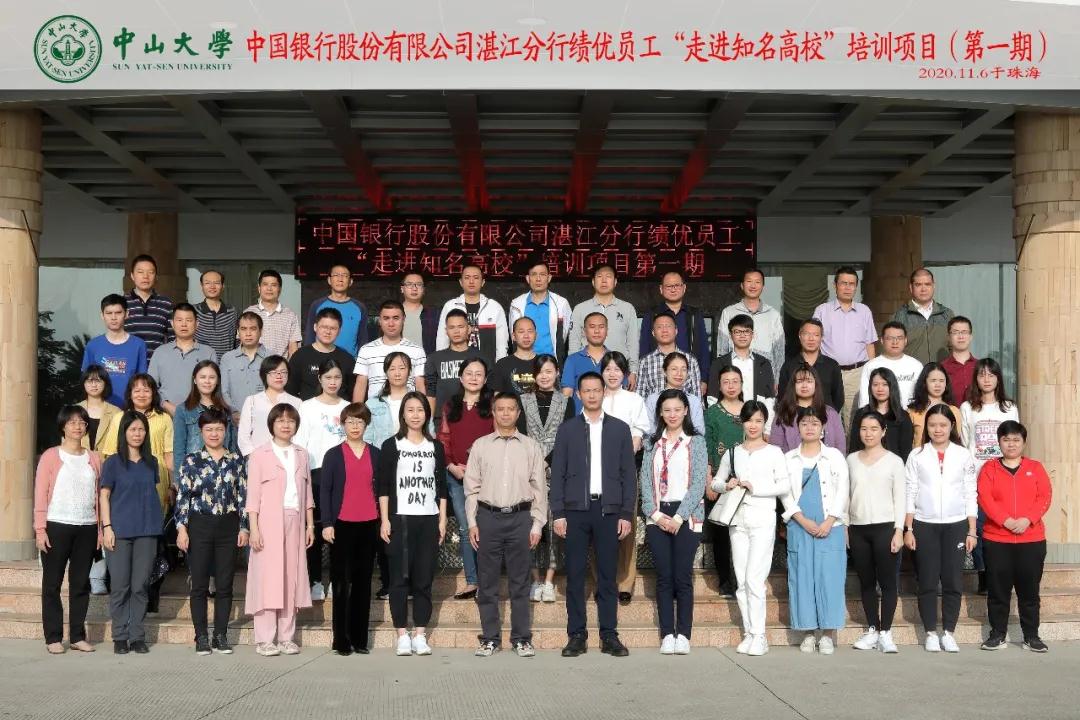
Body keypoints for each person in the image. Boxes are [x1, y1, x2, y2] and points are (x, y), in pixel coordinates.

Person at [550, 372, 636, 658]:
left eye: (596, 390)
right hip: (575, 511)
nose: (591, 395)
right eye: (586, 390)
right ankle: (576, 635)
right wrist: (558, 513)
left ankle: (609, 635)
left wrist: (626, 513)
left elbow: (629, 475)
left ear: (604, 392)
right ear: (578, 394)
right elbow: (558, 473)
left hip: (608, 511)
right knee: (575, 575)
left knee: (608, 576)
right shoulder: (568, 430)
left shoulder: (620, 429)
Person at [466, 393, 549, 658]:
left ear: (518, 413)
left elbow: (539, 488)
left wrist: (537, 524)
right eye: (500, 409)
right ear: (493, 412)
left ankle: (521, 638)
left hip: (520, 519)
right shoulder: (480, 446)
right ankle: (490, 638)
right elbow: (471, 488)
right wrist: (472, 522)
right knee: (487, 582)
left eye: (510, 409)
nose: (505, 413)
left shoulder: (530, 447)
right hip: (488, 518)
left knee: (520, 582)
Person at [710, 400, 790, 657]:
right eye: (749, 420)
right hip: (737, 521)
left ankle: (760, 635)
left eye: (758, 421)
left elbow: (784, 485)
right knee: (742, 580)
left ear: (764, 422)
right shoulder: (733, 453)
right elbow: (715, 482)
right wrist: (728, 485)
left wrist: (757, 488)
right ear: (741, 422)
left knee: (755, 579)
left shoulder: (774, 452)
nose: (753, 425)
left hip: (763, 519)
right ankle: (749, 633)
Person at [377, 391, 449, 657]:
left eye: (420, 410)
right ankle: (402, 635)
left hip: (428, 518)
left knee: (423, 578)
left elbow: (441, 486)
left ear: (427, 415)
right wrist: (385, 519)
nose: (415, 415)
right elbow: (383, 486)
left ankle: (420, 634)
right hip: (400, 518)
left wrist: (442, 519)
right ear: (403, 415)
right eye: (410, 410)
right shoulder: (391, 445)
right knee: (398, 579)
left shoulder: (435, 447)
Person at [96, 374, 174, 614]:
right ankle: (122, 605)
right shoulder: (120, 418)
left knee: (152, 549)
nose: (142, 394)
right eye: (137, 390)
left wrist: (172, 486)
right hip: (124, 490)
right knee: (123, 557)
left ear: (154, 393)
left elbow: (169, 455)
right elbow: (109, 453)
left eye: (147, 389)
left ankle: (150, 597)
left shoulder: (164, 418)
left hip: (154, 485)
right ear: (129, 393)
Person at [903, 404, 977, 653]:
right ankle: (930, 632)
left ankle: (949, 632)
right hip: (925, 523)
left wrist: (971, 530)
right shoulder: (917, 455)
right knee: (927, 580)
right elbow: (910, 491)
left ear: (951, 426)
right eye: (933, 425)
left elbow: (970, 492)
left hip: (956, 524)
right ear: (926, 427)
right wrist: (909, 528)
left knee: (953, 580)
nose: (938, 430)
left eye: (943, 425)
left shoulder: (963, 455)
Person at [174, 407, 248, 656]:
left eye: (219, 429)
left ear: (226, 431)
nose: (214, 433)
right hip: (199, 525)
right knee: (199, 584)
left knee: (225, 584)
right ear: (201, 432)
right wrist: (182, 529)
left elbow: (243, 496)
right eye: (209, 429)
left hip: (228, 526)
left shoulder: (236, 460)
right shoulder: (191, 461)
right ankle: (202, 636)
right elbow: (183, 498)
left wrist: (244, 527)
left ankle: (220, 635)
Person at [640, 389, 707, 655]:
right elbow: (645, 482)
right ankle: (667, 633)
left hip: (686, 516)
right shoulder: (652, 443)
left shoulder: (696, 442)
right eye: (667, 410)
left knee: (682, 577)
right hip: (658, 516)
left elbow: (698, 482)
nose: (672, 414)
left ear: (686, 411)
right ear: (660, 413)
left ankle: (684, 634)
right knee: (664, 577)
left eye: (677, 410)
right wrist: (656, 515)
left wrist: (679, 517)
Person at [245, 403, 315, 656]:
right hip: (267, 521)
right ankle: (265, 639)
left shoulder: (302, 454)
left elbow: (307, 494)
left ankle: (287, 637)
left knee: (290, 577)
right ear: (271, 424)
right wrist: (254, 529)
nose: (286, 425)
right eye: (281, 421)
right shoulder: (260, 455)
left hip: (295, 519)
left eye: (290, 421)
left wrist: (309, 524)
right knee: (267, 577)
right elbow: (253, 496)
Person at [978, 421, 1052, 652]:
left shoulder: (1035, 468)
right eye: (1006, 439)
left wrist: (1028, 519)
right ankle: (997, 635)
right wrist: (1005, 520)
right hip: (997, 539)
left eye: (1016, 440)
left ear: (1024, 442)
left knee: (1029, 592)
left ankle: (1031, 636)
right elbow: (984, 497)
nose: (1011, 444)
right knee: (998, 591)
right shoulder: (989, 468)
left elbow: (1044, 496)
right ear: (999, 442)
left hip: (1031, 539)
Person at [781, 406, 850, 655]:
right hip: (800, 526)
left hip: (830, 526)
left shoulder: (834, 456)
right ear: (797, 428)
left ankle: (828, 634)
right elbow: (785, 494)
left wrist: (829, 521)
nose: (809, 428)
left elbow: (843, 489)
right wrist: (801, 519)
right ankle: (808, 632)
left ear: (823, 428)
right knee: (802, 577)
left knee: (830, 578)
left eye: (814, 423)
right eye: (804, 423)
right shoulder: (788, 459)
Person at [35, 405, 103, 654]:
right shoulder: (50, 456)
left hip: (86, 526)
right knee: (52, 584)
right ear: (63, 426)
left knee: (81, 584)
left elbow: (98, 496)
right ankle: (53, 637)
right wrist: (40, 529)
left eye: (82, 422)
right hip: (56, 525)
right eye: (72, 422)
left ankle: (77, 636)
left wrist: (99, 530)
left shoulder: (94, 458)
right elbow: (40, 493)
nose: (77, 426)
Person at [100, 410, 164, 655]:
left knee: (140, 586)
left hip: (147, 530)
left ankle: (137, 636)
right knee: (120, 586)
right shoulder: (113, 463)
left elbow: (151, 494)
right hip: (119, 531)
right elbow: (104, 496)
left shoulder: (152, 462)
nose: (137, 434)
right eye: (133, 429)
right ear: (124, 432)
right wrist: (107, 527)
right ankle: (119, 636)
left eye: (141, 429)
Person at [320, 402, 382, 655]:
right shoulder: (333, 455)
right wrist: (326, 523)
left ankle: (359, 639)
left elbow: (382, 489)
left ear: (366, 425)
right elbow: (325, 491)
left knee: (363, 583)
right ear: (343, 425)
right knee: (341, 584)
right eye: (350, 422)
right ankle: (341, 640)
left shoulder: (376, 454)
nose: (355, 426)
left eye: (360, 422)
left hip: (369, 523)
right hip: (342, 524)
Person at [847, 411, 906, 654]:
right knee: (867, 581)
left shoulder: (894, 461)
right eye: (864, 428)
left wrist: (899, 530)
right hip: (858, 529)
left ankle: (886, 632)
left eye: (873, 428)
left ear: (883, 431)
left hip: (886, 527)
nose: (868, 433)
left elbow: (900, 498)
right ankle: (872, 628)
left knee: (888, 582)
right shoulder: (851, 460)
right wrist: (846, 527)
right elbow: (846, 496)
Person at [519, 354, 575, 603]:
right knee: (530, 524)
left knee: (554, 525)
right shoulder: (523, 400)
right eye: (540, 372)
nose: (544, 376)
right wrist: (535, 463)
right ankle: (535, 580)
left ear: (557, 373)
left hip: (558, 469)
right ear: (534, 374)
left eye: (549, 371)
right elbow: (520, 434)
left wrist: (548, 461)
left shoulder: (566, 402)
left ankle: (550, 580)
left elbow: (568, 436)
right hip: (527, 471)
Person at [437, 357, 495, 601]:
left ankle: (487, 582)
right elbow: (443, 438)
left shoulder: (493, 404)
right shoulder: (451, 405)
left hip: (487, 477)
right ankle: (472, 581)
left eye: (478, 374)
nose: (473, 378)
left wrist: (477, 467)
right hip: (457, 476)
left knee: (487, 527)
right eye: (469, 373)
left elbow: (498, 438)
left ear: (485, 379)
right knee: (465, 526)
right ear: (461, 378)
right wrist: (451, 466)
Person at [961, 357, 1019, 594]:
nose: (986, 379)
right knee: (979, 527)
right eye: (982, 374)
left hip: (1003, 476)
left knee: (1001, 525)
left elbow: (1015, 440)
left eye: (991, 374)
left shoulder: (1009, 407)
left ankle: (1001, 573)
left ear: (998, 378)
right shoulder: (968, 408)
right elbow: (966, 442)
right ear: (976, 378)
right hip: (976, 477)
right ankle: (983, 574)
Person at [295, 358, 350, 602]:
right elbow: (300, 443)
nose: (332, 382)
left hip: (343, 475)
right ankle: (315, 580)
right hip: (315, 473)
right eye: (328, 377)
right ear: (320, 379)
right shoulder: (307, 407)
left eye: (337, 377)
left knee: (341, 528)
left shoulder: (348, 407)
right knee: (315, 528)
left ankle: (338, 580)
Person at [599, 351, 650, 605]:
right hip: (596, 472)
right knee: (599, 528)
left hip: (624, 471)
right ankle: (602, 581)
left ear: (625, 374)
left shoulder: (634, 399)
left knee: (626, 526)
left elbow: (638, 434)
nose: (612, 374)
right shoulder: (593, 397)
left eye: (617, 369)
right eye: (608, 369)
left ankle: (625, 582)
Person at [813, 266, 878, 427]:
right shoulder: (822, 311)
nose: (848, 287)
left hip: (857, 373)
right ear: (835, 285)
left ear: (856, 287)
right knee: (827, 416)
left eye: (852, 284)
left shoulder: (864, 311)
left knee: (854, 419)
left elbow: (870, 344)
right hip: (829, 372)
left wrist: (872, 372)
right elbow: (813, 343)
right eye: (844, 283)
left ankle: (850, 445)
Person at [703, 365, 746, 598]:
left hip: (745, 483)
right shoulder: (712, 413)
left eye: (735, 381)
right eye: (726, 382)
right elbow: (708, 446)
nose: (731, 386)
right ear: (719, 386)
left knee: (744, 532)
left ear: (742, 384)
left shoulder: (750, 410)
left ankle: (744, 580)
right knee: (721, 534)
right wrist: (709, 480)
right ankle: (725, 580)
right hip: (720, 481)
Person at [568, 264, 640, 390]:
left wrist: (633, 371)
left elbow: (633, 342)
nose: (604, 280)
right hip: (587, 370)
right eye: (600, 276)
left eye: (608, 276)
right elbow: (574, 341)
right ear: (593, 281)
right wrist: (573, 368)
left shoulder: (627, 308)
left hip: (618, 370)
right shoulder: (580, 309)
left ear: (615, 281)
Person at [638, 270, 711, 392]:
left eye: (677, 285)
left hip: (688, 376)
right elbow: (644, 346)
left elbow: (703, 348)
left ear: (684, 288)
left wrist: (704, 379)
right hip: (657, 375)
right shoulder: (652, 314)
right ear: (661, 289)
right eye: (668, 286)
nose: (673, 289)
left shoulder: (694, 314)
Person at [714, 268, 784, 389]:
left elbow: (779, 352)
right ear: (742, 285)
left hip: (764, 375)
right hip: (734, 375)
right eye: (749, 281)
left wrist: (777, 379)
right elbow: (722, 348)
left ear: (763, 286)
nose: (753, 285)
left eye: (757, 282)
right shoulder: (729, 312)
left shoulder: (773, 315)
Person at [148, 303, 216, 416]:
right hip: (165, 415)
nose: (184, 324)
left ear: (197, 324)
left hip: (200, 416)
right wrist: (165, 404)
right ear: (172, 324)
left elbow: (214, 387)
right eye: (179, 320)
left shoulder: (208, 353)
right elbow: (151, 386)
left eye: (188, 320)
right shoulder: (160, 352)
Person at [172, 361, 238, 477]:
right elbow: (179, 449)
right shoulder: (183, 410)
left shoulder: (226, 410)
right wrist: (178, 479)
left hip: (223, 475)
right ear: (195, 380)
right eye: (202, 377)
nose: (207, 381)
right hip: (194, 474)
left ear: (217, 381)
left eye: (212, 377)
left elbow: (233, 447)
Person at [435, 264, 509, 366]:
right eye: (467, 277)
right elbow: (442, 339)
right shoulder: (450, 306)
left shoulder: (494, 307)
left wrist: (500, 366)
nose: (471, 281)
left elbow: (502, 343)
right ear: (461, 282)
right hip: (457, 365)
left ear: (482, 282)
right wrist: (441, 363)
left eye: (476, 277)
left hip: (487, 366)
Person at [353, 300, 427, 401]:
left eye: (396, 318)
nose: (391, 323)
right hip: (375, 409)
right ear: (380, 321)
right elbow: (360, 385)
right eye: (386, 318)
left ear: (403, 319)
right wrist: (357, 410)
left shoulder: (417, 351)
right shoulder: (366, 350)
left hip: (407, 409)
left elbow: (420, 386)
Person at [83, 293, 148, 407]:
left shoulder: (138, 345)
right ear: (102, 315)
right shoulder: (93, 345)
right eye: (109, 313)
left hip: (129, 408)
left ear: (126, 314)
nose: (113, 317)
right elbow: (86, 380)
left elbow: (142, 381)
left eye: (118, 313)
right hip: (100, 409)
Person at [770, 363, 846, 455]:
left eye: (809, 381)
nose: (804, 385)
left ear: (816, 384)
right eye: (799, 381)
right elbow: (775, 448)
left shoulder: (830, 413)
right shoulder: (783, 413)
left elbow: (840, 446)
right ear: (793, 385)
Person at [237, 356, 302, 458]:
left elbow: (299, 434)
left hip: (287, 457)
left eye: (283, 372)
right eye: (273, 372)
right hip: (257, 457)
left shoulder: (297, 402)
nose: (279, 376)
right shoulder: (252, 401)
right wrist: (253, 457)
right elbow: (243, 435)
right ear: (264, 375)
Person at [287, 307, 357, 400]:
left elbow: (354, 393)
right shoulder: (300, 356)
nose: (328, 332)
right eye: (324, 327)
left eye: (333, 328)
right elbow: (290, 392)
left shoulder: (347, 359)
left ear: (339, 331)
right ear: (315, 327)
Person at [508, 259, 572, 360]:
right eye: (534, 274)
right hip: (524, 361)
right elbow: (514, 336)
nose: (538, 279)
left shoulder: (561, 303)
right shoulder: (516, 304)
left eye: (542, 274)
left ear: (549, 278)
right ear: (528, 278)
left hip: (551, 362)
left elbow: (564, 335)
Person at [778, 319, 844, 414]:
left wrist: (829, 417)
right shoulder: (789, 366)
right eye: (806, 334)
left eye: (816, 335)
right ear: (800, 336)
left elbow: (838, 398)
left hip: (826, 418)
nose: (811, 339)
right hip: (796, 418)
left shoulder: (832, 365)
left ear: (821, 338)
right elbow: (783, 397)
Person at [890, 268, 955, 365]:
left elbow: (954, 347)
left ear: (933, 286)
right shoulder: (899, 317)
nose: (923, 289)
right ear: (911, 288)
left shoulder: (947, 314)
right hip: (911, 373)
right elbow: (891, 351)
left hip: (941, 373)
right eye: (918, 285)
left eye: (927, 284)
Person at [848, 368, 915, 461]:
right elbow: (854, 448)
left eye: (885, 384)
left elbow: (905, 452)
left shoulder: (902, 416)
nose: (880, 389)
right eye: (875, 385)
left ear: (892, 386)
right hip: (864, 465)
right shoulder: (861, 414)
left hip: (893, 467)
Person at [424, 309, 477, 423]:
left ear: (469, 329)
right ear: (446, 331)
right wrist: (429, 423)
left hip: (474, 418)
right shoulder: (434, 359)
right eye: (451, 327)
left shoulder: (481, 357)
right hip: (442, 421)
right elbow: (431, 393)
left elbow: (488, 393)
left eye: (460, 327)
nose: (456, 331)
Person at [303, 263, 369, 356]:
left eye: (344, 275)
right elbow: (310, 335)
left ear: (350, 281)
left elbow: (363, 339)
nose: (340, 279)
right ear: (329, 280)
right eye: (336, 275)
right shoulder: (317, 305)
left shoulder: (360, 307)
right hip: (320, 360)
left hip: (350, 361)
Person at [636, 311, 704, 400]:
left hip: (684, 408)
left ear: (676, 331)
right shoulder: (645, 362)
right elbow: (640, 395)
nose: (664, 330)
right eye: (659, 327)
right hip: (653, 408)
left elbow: (697, 395)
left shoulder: (690, 360)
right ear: (653, 333)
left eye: (668, 326)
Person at [709, 314, 775, 405]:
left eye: (747, 331)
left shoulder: (764, 364)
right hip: (726, 413)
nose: (742, 335)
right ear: (730, 335)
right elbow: (712, 398)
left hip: (757, 413)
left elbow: (770, 399)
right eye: (737, 332)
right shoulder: (718, 364)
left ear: (752, 334)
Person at [857, 322, 924, 407]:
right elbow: (864, 400)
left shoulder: (916, 365)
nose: (895, 342)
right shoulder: (871, 366)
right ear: (882, 340)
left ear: (905, 340)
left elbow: (922, 396)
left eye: (899, 338)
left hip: (910, 413)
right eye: (890, 338)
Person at [220, 311, 269, 425]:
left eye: (253, 329)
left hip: (265, 421)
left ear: (261, 331)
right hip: (234, 421)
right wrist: (234, 412)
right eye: (243, 329)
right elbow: (224, 391)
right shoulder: (227, 358)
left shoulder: (272, 357)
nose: (248, 333)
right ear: (238, 332)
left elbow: (277, 391)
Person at [644, 352, 706, 437]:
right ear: (664, 371)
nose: (679, 373)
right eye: (674, 369)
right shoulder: (652, 400)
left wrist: (680, 442)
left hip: (688, 444)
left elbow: (699, 431)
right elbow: (648, 431)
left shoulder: (694, 401)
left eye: (683, 369)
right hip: (658, 444)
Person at [124, 254, 173, 359]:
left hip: (157, 364)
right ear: (132, 276)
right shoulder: (122, 303)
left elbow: (172, 338)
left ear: (156, 276)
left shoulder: (166, 304)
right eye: (140, 272)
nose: (145, 276)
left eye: (150, 272)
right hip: (129, 362)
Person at [243, 269, 302, 358]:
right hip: (253, 365)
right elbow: (243, 344)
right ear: (259, 288)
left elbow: (293, 348)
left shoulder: (290, 315)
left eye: (273, 285)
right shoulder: (249, 312)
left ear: (280, 289)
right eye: (265, 284)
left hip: (280, 366)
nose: (269, 289)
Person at [561, 311, 610, 412]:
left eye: (601, 327)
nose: (597, 331)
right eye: (592, 327)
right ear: (584, 331)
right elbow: (567, 394)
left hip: (609, 418)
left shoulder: (615, 359)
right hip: (579, 418)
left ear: (607, 331)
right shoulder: (572, 360)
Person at [908, 362, 963, 449]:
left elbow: (955, 439)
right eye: (933, 380)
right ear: (924, 383)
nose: (938, 385)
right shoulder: (913, 411)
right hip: (919, 456)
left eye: (941, 381)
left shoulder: (954, 411)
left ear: (946, 383)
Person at [193, 270, 238, 361]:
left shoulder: (232, 312)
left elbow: (237, 341)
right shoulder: (193, 311)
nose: (212, 286)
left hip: (226, 365)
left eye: (217, 283)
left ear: (223, 286)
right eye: (207, 283)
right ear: (201, 286)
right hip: (200, 365)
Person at [77, 365, 121, 452]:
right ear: (83, 384)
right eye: (89, 381)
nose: (94, 385)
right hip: (78, 459)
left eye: (98, 380)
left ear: (105, 383)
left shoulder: (116, 412)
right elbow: (66, 442)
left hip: (106, 459)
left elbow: (120, 443)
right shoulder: (74, 410)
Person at [491, 317, 539, 394]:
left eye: (530, 331)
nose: (526, 336)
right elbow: (497, 397)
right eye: (521, 332)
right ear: (513, 336)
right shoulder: (502, 364)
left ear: (536, 335)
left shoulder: (544, 363)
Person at [941, 316, 978, 405]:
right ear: (949, 337)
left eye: (964, 332)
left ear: (971, 336)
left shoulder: (981, 367)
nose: (961, 336)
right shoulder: (941, 368)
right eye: (955, 332)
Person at [399, 271, 439, 353]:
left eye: (419, 284)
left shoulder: (434, 315)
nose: (414, 288)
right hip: (397, 359)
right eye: (409, 284)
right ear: (402, 289)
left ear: (423, 290)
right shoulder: (393, 314)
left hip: (426, 360)